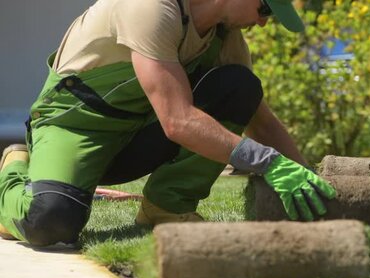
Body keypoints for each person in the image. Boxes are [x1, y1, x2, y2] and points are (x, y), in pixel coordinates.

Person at [0, 0, 336, 246]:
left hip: (137, 133)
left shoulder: (225, 40)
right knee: (52, 220)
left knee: (240, 86)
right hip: (74, 127)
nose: (264, 23)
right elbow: (177, 120)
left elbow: (261, 123)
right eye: (266, 10)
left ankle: (166, 207)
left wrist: (309, 182)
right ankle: (13, 171)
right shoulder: (151, 8)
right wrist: (268, 161)